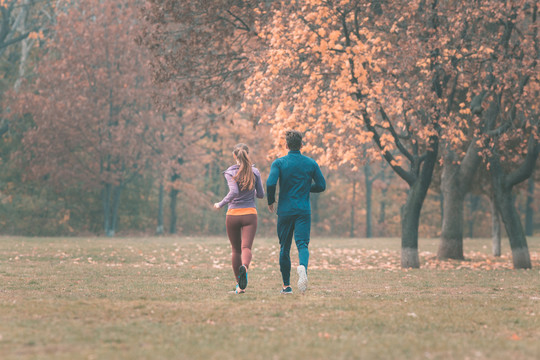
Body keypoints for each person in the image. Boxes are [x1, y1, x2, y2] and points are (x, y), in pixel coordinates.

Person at [266, 130, 326, 294]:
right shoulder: (311, 163)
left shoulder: (279, 163)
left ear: (286, 145)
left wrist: (271, 200)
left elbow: (271, 182)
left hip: (285, 210)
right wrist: (306, 189)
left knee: (284, 247)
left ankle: (286, 287)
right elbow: (321, 185)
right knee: (302, 244)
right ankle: (303, 268)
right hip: (303, 210)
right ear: (301, 145)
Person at [214, 143, 264, 294]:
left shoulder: (230, 172)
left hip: (233, 214)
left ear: (235, 156)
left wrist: (221, 203)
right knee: (246, 248)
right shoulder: (255, 172)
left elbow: (234, 191)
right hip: (250, 213)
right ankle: (245, 267)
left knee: (235, 250)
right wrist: (251, 193)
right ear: (248, 155)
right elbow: (261, 194)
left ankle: (239, 286)